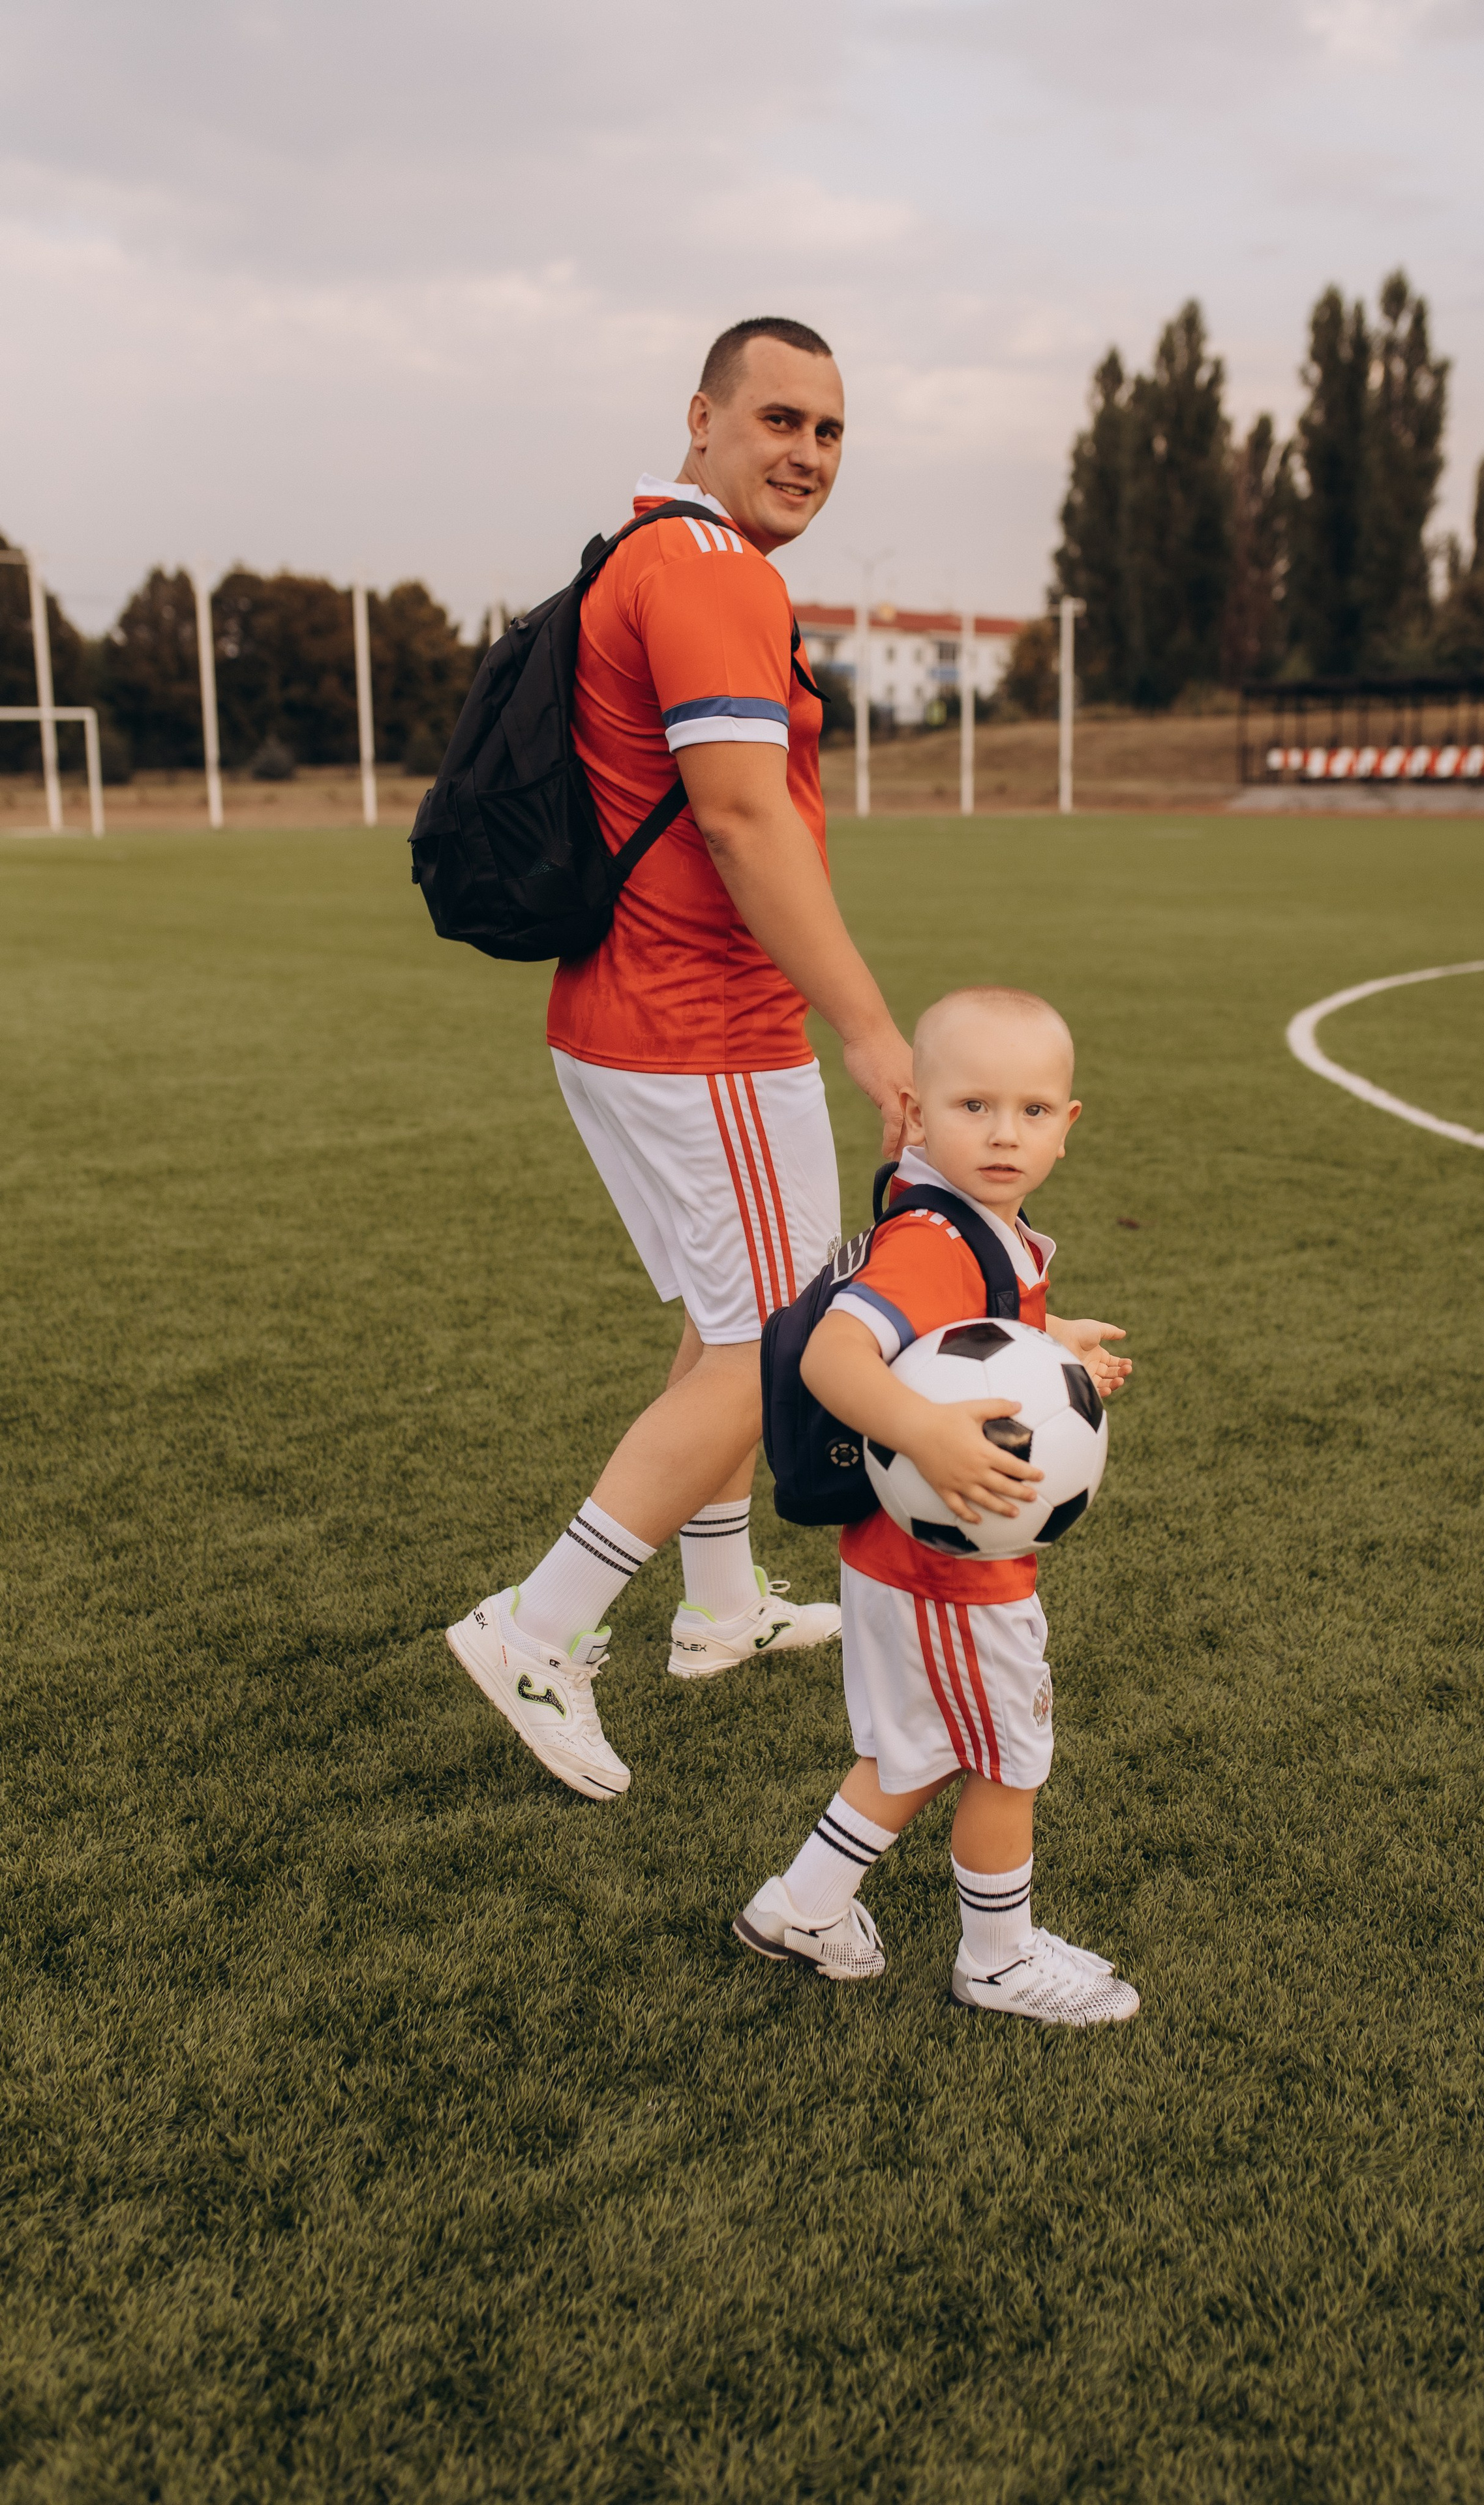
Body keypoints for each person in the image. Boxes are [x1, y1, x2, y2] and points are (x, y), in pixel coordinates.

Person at [447, 316, 913, 1803]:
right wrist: (866, 1025)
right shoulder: (709, 570)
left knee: (732, 1324)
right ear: (700, 419)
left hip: (637, 1016)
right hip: (694, 1024)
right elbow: (739, 816)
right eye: (778, 419)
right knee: (772, 1340)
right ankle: (536, 1629)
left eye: (830, 431)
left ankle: (715, 1613)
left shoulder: (645, 554)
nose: (806, 453)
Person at [733, 986, 1142, 2027]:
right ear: (915, 1112)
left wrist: (1056, 1351)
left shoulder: (976, 1224)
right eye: (973, 1108)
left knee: (914, 1749)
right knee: (1007, 1757)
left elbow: (968, 1341)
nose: (1005, 1134)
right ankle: (998, 1965)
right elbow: (838, 1352)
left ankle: (803, 1907)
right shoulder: (937, 1241)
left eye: (1033, 1111)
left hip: (904, 1554)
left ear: (1068, 1123)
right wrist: (923, 1432)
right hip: (948, 1570)